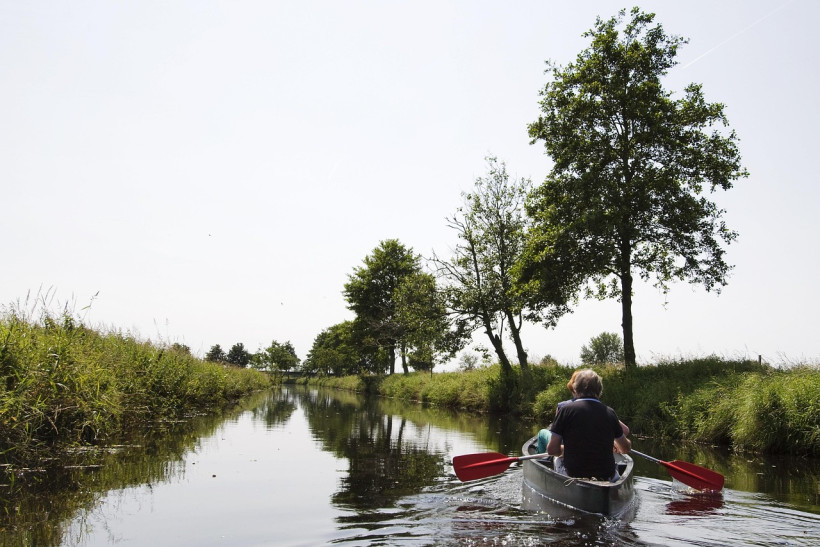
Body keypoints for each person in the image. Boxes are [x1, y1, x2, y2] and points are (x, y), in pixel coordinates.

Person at [546, 369, 631, 480]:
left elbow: (552, 450)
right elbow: (625, 449)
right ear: (600, 390)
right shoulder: (610, 413)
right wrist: (613, 443)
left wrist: (569, 449)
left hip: (573, 474)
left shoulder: (565, 410)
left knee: (557, 459)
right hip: (606, 475)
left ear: (575, 389)